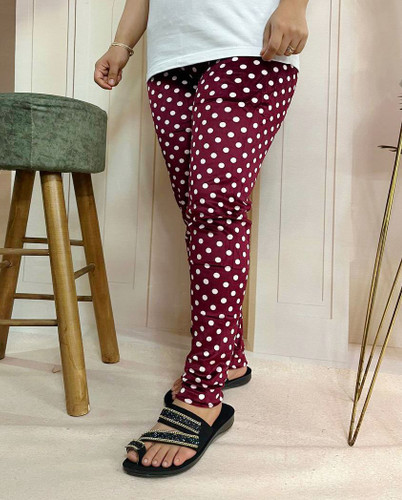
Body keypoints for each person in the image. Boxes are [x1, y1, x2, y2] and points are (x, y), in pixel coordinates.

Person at [94, 0, 309, 477]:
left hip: (248, 47)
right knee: (201, 215)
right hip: (169, 61)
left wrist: (295, 6)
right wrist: (122, 44)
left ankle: (201, 391)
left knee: (215, 213)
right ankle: (228, 360)